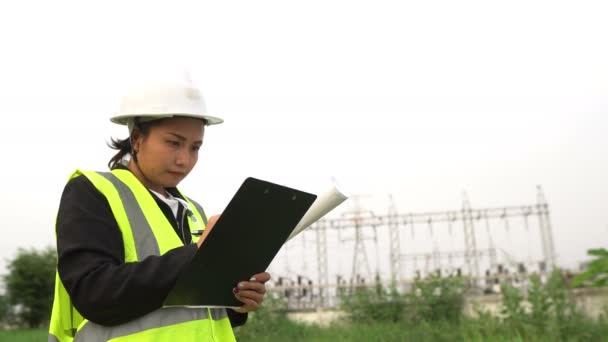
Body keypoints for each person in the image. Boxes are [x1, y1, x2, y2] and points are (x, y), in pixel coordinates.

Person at [48, 72, 270, 341]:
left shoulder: (193, 211)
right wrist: (196, 255)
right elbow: (95, 294)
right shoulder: (93, 192)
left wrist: (236, 302)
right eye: (173, 143)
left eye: (195, 147)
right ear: (137, 139)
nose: (184, 160)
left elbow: (193, 313)